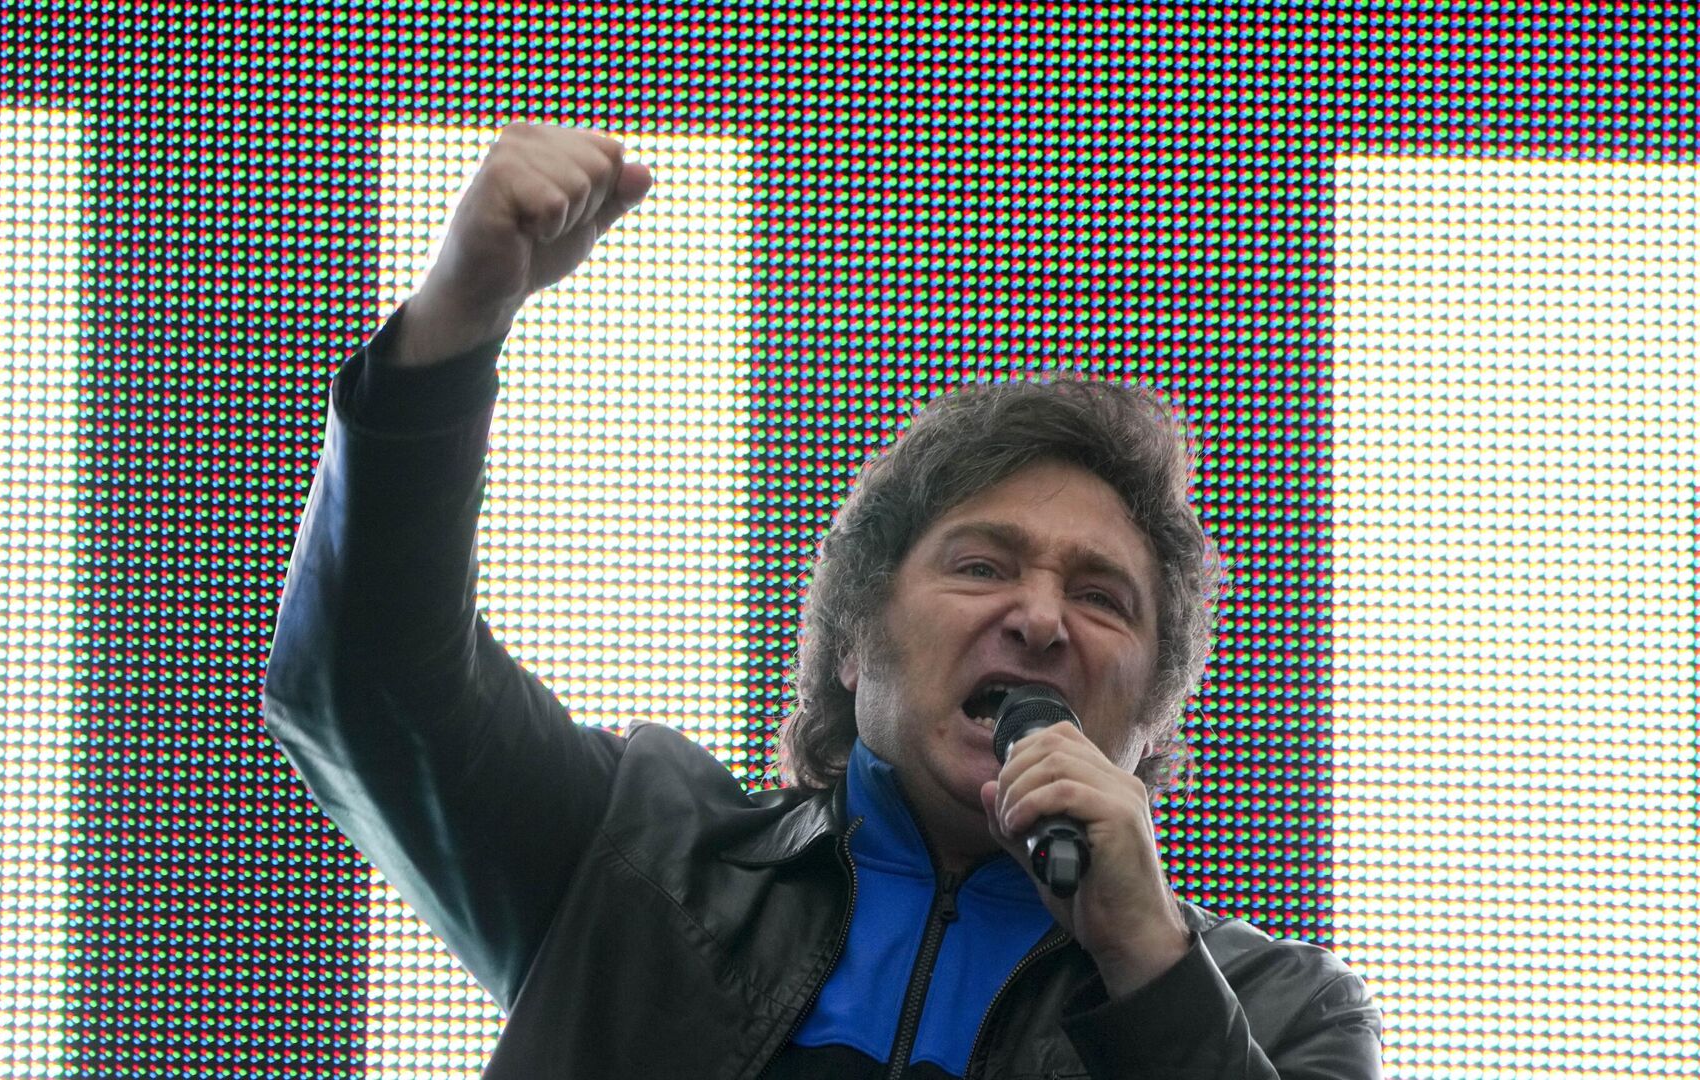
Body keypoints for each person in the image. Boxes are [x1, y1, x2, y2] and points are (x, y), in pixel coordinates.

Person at [264, 122, 1382, 1078]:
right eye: (982, 567)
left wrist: (1149, 957)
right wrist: (459, 311)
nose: (1041, 618)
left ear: (1152, 712)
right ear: (853, 643)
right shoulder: (637, 853)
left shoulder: (1286, 1014)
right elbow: (367, 685)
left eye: (1102, 598)